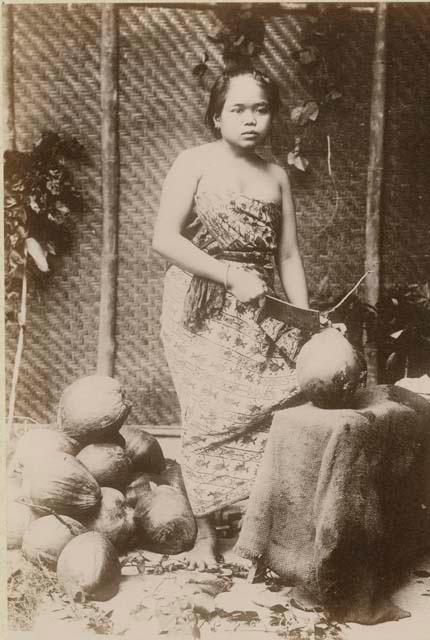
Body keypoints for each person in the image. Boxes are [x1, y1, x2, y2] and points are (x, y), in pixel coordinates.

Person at [153, 66, 316, 570]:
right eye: (238, 109)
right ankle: (204, 535)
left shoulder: (276, 175)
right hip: (199, 305)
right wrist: (228, 275)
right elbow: (164, 238)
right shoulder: (194, 162)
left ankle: (256, 529)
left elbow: (288, 257)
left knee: (275, 402)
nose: (250, 120)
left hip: (261, 306)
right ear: (216, 115)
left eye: (261, 109)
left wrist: (305, 323)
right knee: (208, 415)